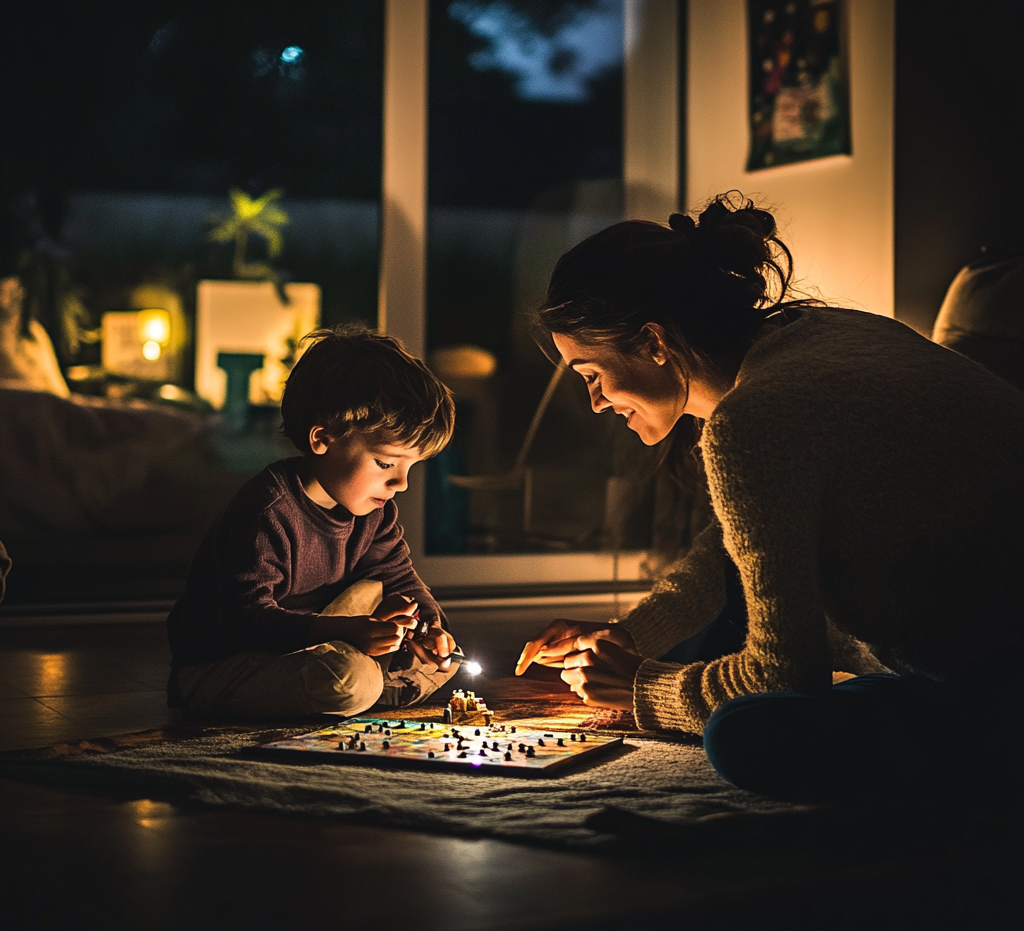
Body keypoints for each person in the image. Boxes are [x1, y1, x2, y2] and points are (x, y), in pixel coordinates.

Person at [515, 193, 1024, 802]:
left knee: (743, 731)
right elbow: (740, 542)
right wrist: (632, 636)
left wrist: (642, 689)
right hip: (976, 660)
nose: (596, 402)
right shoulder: (827, 334)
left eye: (592, 375)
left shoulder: (754, 417)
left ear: (654, 342)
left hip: (994, 681)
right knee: (725, 653)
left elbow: (784, 676)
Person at [167, 326, 459, 718]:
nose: (401, 483)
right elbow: (244, 622)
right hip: (230, 661)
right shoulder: (266, 511)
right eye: (385, 463)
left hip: (326, 644)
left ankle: (363, 684)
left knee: (446, 658)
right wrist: (347, 632)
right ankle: (361, 687)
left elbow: (401, 579)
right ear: (323, 439)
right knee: (346, 680)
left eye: (412, 466)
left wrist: (430, 629)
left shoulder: (374, 512)